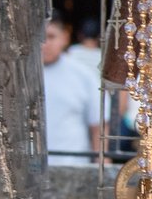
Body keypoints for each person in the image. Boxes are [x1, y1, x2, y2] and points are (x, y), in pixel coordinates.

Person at [41, 13, 105, 164]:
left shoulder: (83, 75)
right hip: (30, 169)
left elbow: (98, 125)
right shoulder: (21, 75)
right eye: (40, 38)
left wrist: (101, 162)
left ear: (64, 37)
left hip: (72, 165)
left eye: (51, 36)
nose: (45, 44)